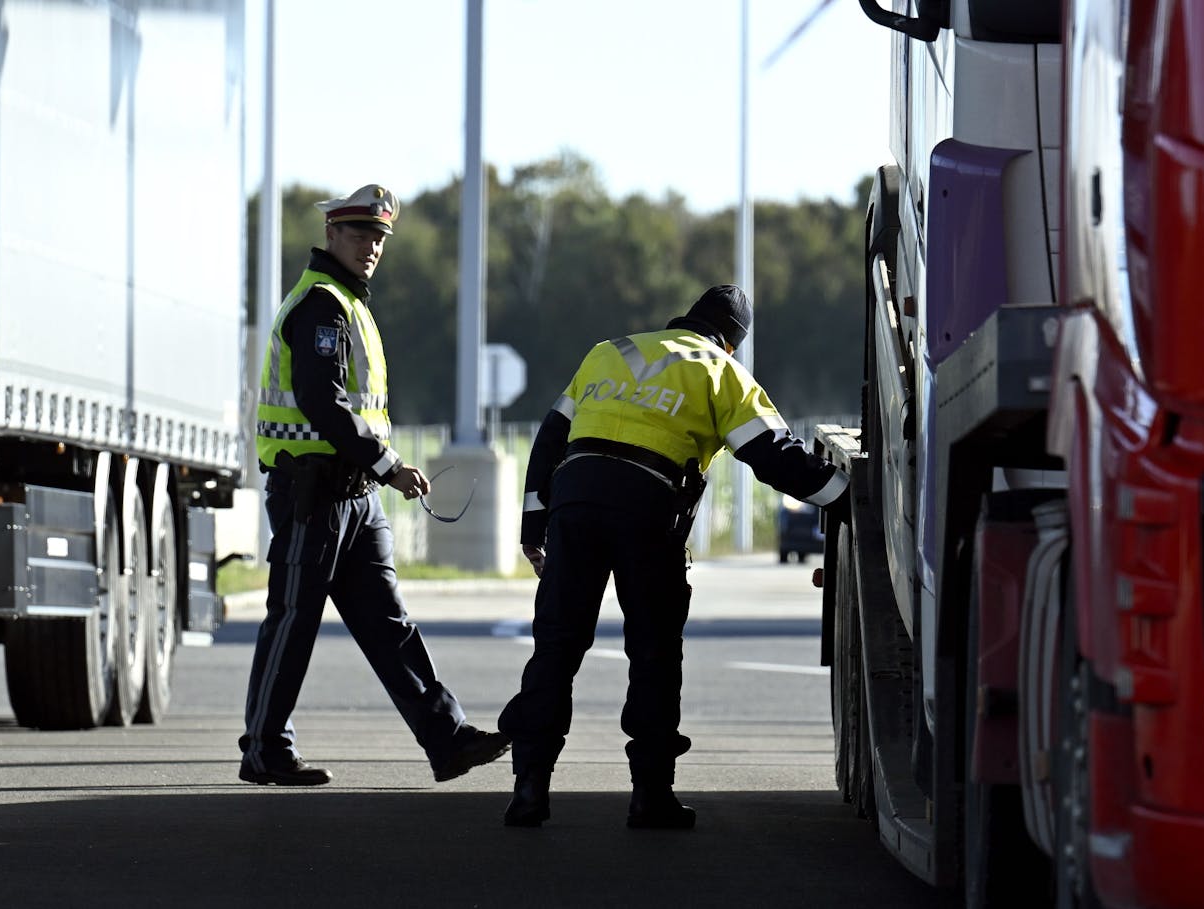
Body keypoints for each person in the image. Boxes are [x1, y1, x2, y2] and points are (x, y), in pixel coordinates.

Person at [498, 284, 849, 828]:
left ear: (678, 320)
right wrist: (848, 499)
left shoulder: (609, 351)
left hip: (577, 500)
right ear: (731, 341)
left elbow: (550, 438)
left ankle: (528, 788)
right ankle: (650, 796)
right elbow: (774, 455)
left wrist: (532, 524)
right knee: (655, 651)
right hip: (647, 506)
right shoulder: (720, 370)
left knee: (558, 646)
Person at [240, 184, 509, 786]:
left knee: (390, 624)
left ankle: (448, 739)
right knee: (293, 620)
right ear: (332, 234)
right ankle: (264, 749)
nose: (372, 247)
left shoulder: (349, 305)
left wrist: (376, 469)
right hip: (314, 493)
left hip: (353, 497)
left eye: (380, 237)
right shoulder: (321, 306)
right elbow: (321, 400)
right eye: (361, 234)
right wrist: (388, 464)